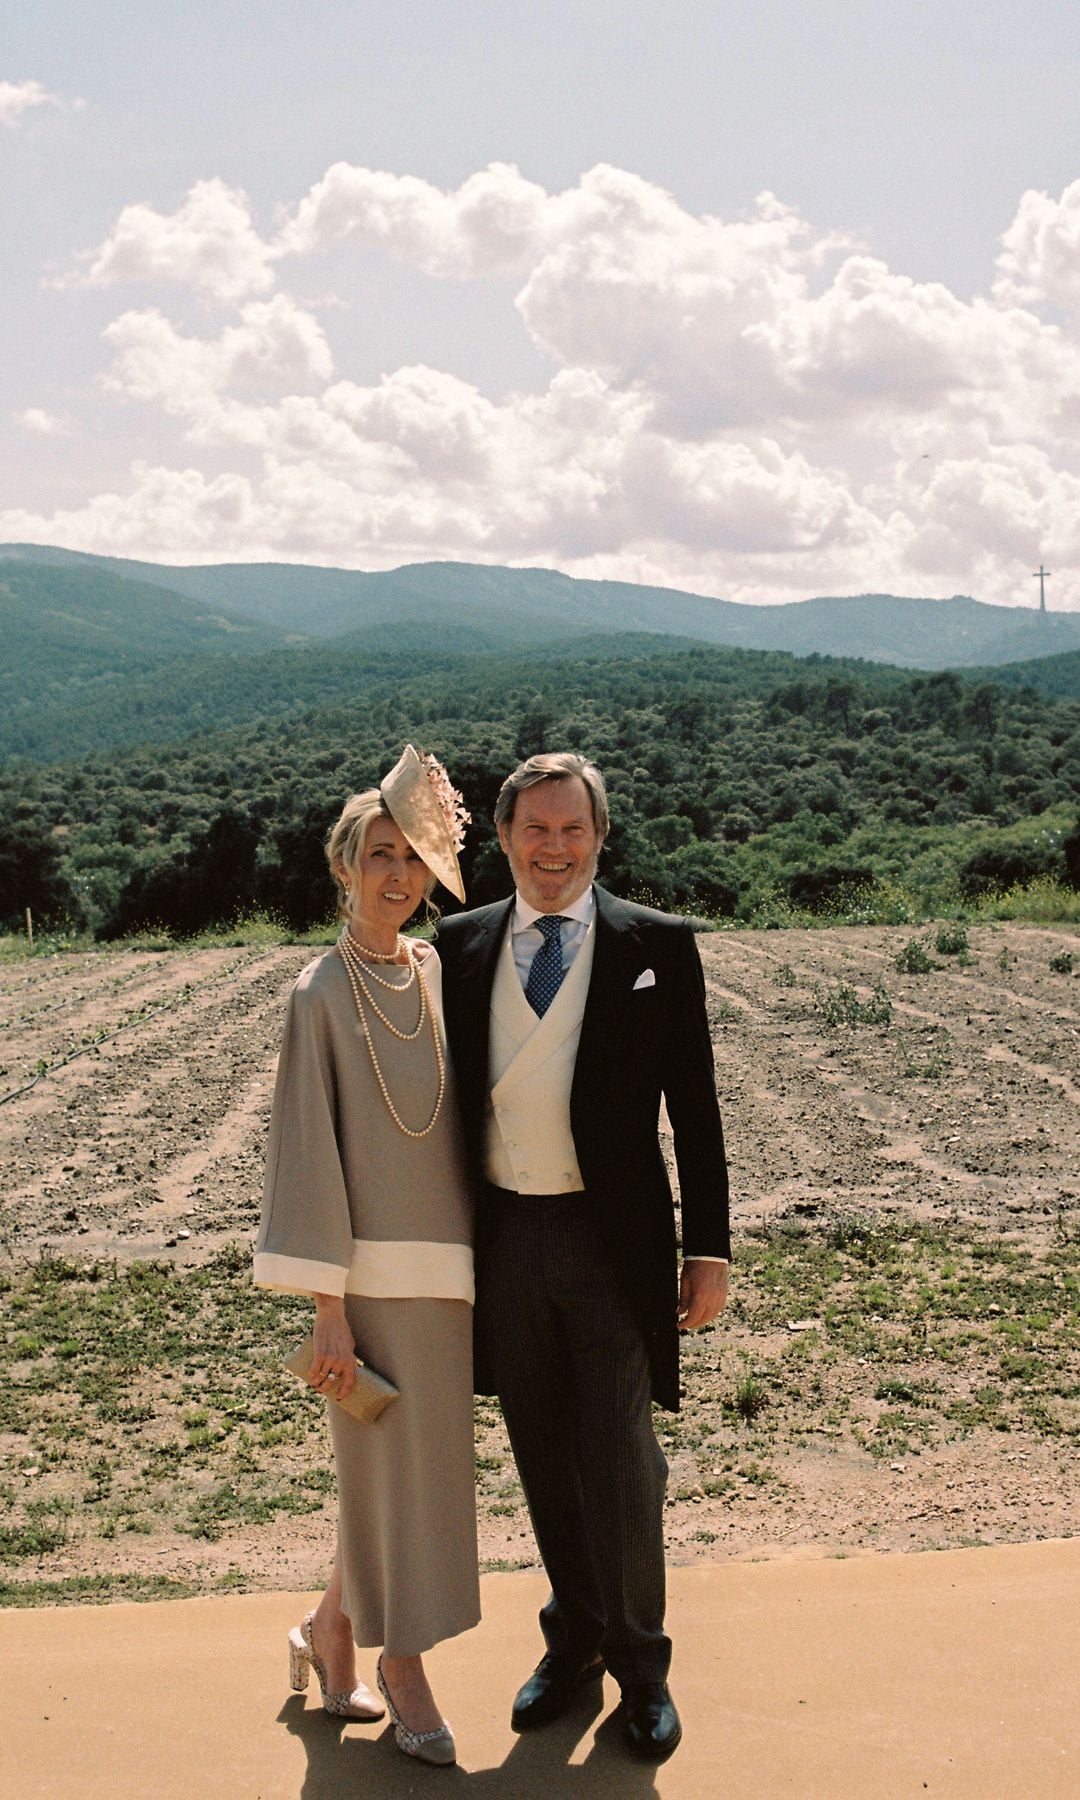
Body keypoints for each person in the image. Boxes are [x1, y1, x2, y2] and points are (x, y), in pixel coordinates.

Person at [436, 751, 730, 1763]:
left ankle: (644, 1669)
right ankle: (575, 1647)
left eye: (573, 831)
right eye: (535, 830)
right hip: (506, 1237)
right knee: (543, 1457)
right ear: (505, 839)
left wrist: (712, 1251)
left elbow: (695, 1111)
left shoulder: (658, 944)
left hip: (615, 1245)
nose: (553, 849)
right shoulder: (459, 943)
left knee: (622, 1466)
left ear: (600, 839)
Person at [254, 745, 477, 1768]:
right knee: (397, 1480)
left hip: (453, 1284)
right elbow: (309, 1157)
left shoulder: (438, 972)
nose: (398, 876)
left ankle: (327, 1629)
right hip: (370, 1292)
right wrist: (327, 1311)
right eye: (379, 855)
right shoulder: (317, 996)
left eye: (414, 860)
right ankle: (403, 1663)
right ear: (344, 866)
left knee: (408, 1482)